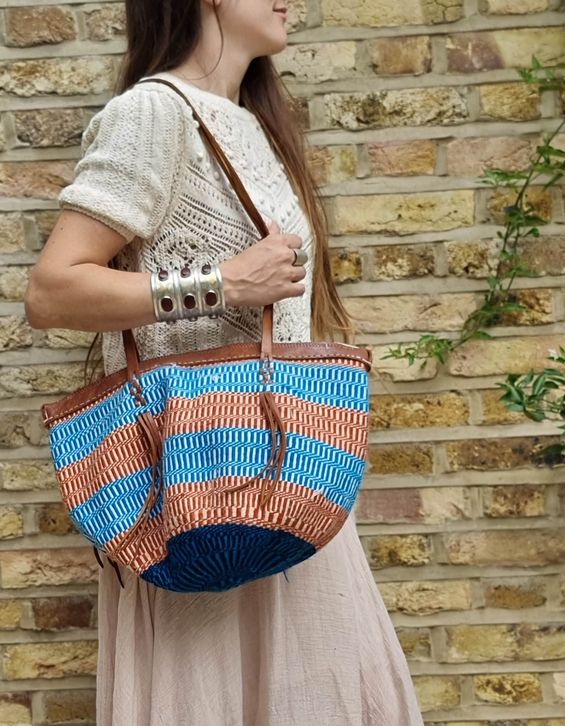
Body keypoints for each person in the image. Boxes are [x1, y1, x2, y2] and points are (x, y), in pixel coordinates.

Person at [25, 0, 425, 723]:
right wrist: (223, 284)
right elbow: (53, 290)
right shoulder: (155, 114)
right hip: (196, 487)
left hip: (288, 477)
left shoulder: (254, 121)